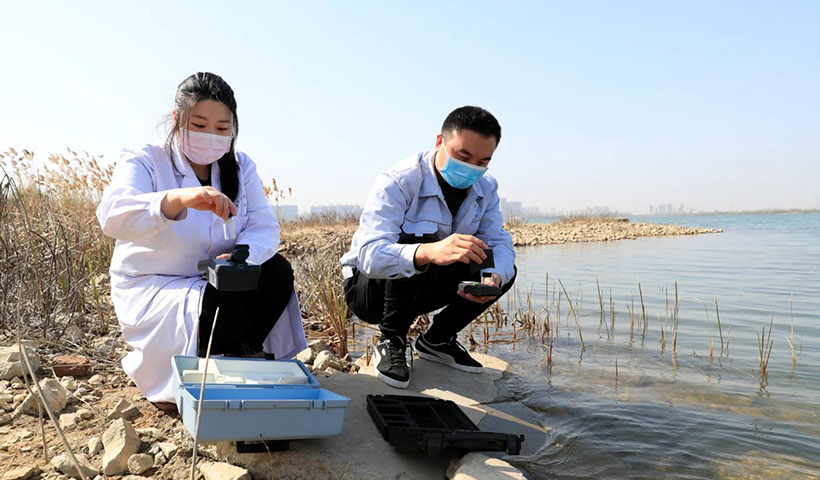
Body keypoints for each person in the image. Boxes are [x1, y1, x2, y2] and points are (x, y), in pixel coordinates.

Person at [97, 72, 307, 409]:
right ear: (178, 119)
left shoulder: (241, 167)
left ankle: (239, 353)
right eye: (200, 124)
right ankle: (195, 365)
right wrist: (180, 199)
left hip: (217, 278)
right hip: (158, 286)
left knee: (277, 272)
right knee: (217, 309)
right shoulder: (145, 160)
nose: (211, 136)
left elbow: (264, 226)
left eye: (222, 129)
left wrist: (242, 258)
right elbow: (113, 216)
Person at [340, 106, 516, 389]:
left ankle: (437, 340)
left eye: (483, 161)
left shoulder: (487, 187)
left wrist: (493, 276)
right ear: (439, 142)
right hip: (370, 291)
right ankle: (391, 339)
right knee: (414, 243)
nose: (472, 169)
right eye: (463, 157)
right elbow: (370, 255)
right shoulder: (399, 180)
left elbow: (498, 240)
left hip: (424, 286)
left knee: (498, 264)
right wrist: (429, 252)